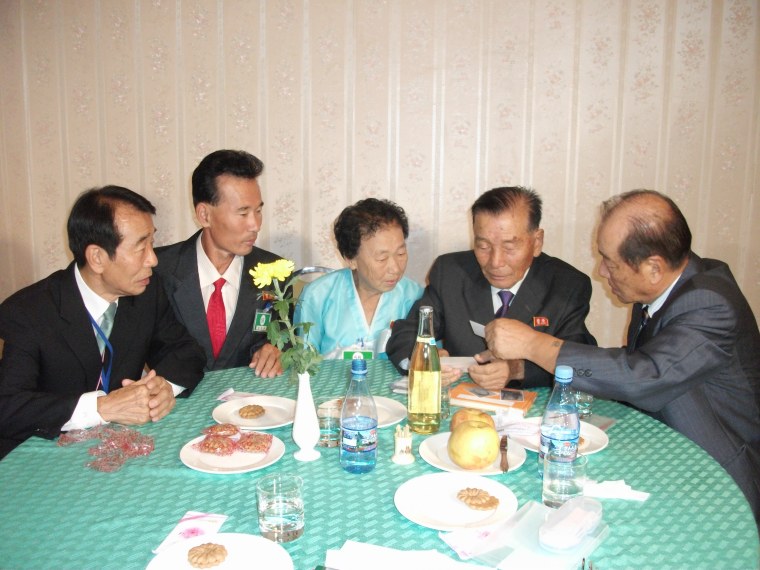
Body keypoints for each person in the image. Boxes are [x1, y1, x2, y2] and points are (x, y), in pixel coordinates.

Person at [483, 189, 760, 522]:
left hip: (719, 483)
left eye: (610, 261)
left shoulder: (708, 304)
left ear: (653, 268)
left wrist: (532, 344)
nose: (601, 271)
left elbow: (643, 376)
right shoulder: (665, 291)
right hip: (672, 459)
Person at [0, 186, 206, 459]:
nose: (153, 259)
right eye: (140, 246)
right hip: (43, 459)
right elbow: (8, 406)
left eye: (151, 243)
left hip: (119, 453)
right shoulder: (27, 312)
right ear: (97, 257)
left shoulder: (146, 291)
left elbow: (185, 351)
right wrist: (101, 408)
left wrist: (164, 387)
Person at [386, 186, 596, 389]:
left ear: (537, 241)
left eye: (509, 247)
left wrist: (518, 370)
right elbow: (409, 332)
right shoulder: (450, 272)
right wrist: (425, 359)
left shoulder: (567, 285)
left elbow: (581, 361)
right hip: (462, 408)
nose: (495, 262)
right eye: (483, 246)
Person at [155, 150, 284, 376]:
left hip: (249, 404)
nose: (255, 225)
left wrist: (275, 350)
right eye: (243, 213)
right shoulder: (158, 270)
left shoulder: (275, 272)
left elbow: (284, 335)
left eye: (258, 211)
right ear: (204, 215)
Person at [294, 198, 423, 360]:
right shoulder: (318, 295)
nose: (395, 268)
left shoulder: (414, 296)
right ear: (351, 259)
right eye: (382, 259)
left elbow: (428, 359)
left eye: (401, 254)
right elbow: (305, 364)